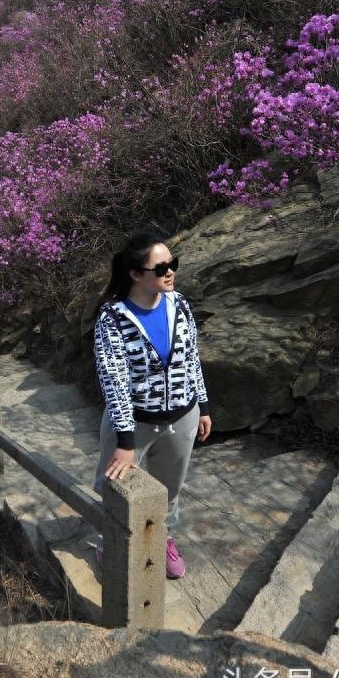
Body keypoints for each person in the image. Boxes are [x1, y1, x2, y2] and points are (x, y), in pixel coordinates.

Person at [92, 229, 212, 579]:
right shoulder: (112, 317)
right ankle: (110, 541)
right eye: (160, 268)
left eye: (172, 264)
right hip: (134, 424)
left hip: (182, 416)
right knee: (115, 488)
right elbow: (114, 382)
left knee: (169, 488)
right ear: (134, 274)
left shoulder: (180, 304)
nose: (170, 272)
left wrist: (202, 406)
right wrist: (126, 443)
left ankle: (163, 538)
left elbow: (191, 359)